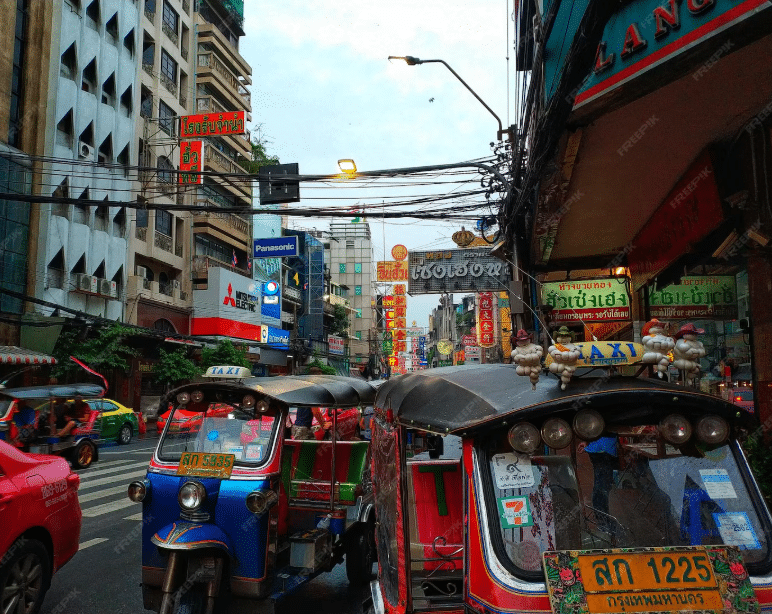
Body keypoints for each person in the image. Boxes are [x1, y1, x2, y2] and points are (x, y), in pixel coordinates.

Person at [578, 436, 618, 532]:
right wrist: (588, 441)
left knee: (601, 489)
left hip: (601, 449)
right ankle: (604, 524)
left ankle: (603, 523)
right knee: (601, 489)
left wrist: (588, 441)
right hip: (602, 449)